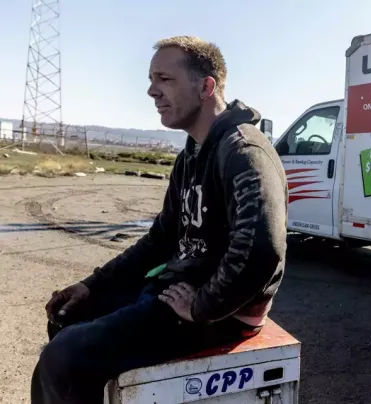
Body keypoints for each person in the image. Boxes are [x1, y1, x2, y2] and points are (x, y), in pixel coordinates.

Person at [31, 36, 288, 404]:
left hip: (221, 313)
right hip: (179, 292)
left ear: (206, 86)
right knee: (67, 315)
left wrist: (203, 306)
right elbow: (161, 240)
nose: (152, 91)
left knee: (64, 356)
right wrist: (93, 285)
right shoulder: (190, 157)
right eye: (152, 80)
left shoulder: (243, 150)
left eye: (164, 79)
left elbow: (263, 248)